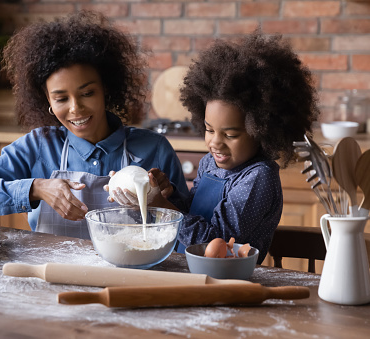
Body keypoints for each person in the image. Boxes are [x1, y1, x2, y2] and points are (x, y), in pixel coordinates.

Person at [0, 11, 188, 239]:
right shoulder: (37, 147)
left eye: (87, 93)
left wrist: (162, 200)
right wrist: (36, 188)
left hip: (130, 276)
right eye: (62, 98)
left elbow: (188, 227)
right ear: (48, 101)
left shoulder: (154, 149)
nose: (75, 108)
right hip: (53, 275)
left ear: (106, 89)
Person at [110, 31, 320, 263]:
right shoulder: (211, 163)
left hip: (229, 283)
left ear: (262, 130)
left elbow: (215, 244)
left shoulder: (259, 177)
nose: (215, 143)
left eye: (230, 134)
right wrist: (165, 193)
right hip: (188, 271)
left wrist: (163, 208)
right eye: (209, 130)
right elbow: (195, 214)